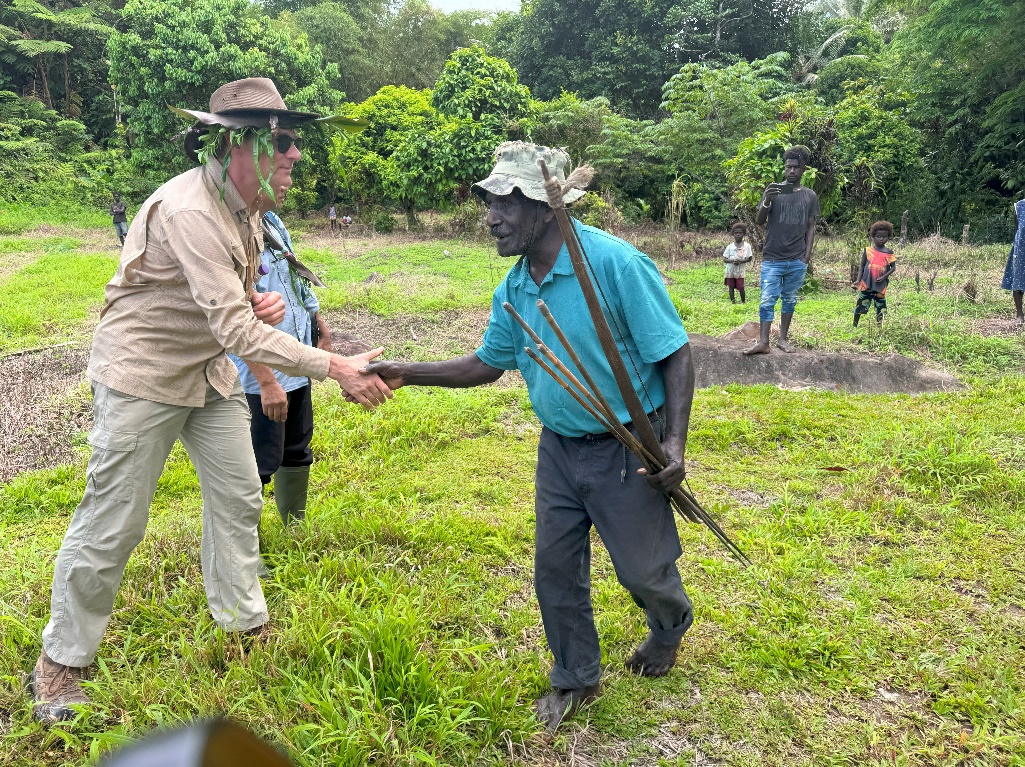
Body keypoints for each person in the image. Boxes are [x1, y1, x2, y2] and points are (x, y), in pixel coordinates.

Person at [30, 78, 391, 723]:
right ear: (236, 144)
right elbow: (233, 327)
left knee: (239, 494)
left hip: (209, 374)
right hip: (144, 374)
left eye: (292, 141)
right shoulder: (190, 208)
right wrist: (333, 363)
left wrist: (261, 305)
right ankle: (61, 661)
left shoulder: (250, 208)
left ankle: (243, 624)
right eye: (282, 142)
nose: (295, 156)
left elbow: (234, 307)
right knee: (114, 517)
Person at [364, 142, 696, 732]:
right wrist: (405, 372)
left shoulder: (615, 265)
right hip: (560, 450)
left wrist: (673, 445)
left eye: (506, 204)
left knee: (643, 573)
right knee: (555, 569)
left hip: (630, 448)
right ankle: (576, 677)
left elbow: (674, 355)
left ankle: (668, 628)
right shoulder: (515, 289)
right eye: (489, 203)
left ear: (546, 206)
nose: (491, 216)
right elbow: (486, 365)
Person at [228, 209, 332, 533]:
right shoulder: (232, 229)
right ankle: (245, 547)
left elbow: (295, 278)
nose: (291, 169)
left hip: (295, 358)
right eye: (283, 158)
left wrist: (320, 326)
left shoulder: (271, 220)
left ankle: (294, 526)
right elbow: (235, 317)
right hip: (262, 374)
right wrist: (266, 381)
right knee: (255, 463)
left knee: (297, 449)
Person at [744, 146, 820, 355]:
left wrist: (806, 256)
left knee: (790, 298)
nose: (792, 171)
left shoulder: (809, 195)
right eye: (788, 167)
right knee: (767, 298)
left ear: (803, 169)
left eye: (796, 167)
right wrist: (767, 200)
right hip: (773, 257)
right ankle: (763, 342)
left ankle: (783, 340)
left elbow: (811, 226)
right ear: (784, 168)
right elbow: (759, 220)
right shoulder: (775, 190)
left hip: (797, 258)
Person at [853, 221, 897, 327]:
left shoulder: (889, 253)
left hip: (880, 285)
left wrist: (884, 277)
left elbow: (893, 267)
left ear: (888, 237)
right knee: (860, 305)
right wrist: (858, 280)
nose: (881, 239)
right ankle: (854, 325)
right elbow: (862, 266)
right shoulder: (868, 250)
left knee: (880, 307)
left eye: (884, 236)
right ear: (873, 236)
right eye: (878, 236)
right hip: (866, 284)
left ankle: (879, 327)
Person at [1001, 197, 1024, 326]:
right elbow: (1018, 229)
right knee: (1019, 280)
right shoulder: (1020, 206)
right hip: (1021, 249)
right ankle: (1019, 314)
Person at [722, 221, 753, 304]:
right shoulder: (730, 246)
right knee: (731, 286)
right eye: (736, 233)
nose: (738, 235)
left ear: (744, 234)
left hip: (740, 271)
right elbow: (725, 259)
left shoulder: (747, 246)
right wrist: (732, 261)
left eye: (740, 233)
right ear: (733, 234)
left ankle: (743, 302)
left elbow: (749, 258)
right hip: (730, 270)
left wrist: (741, 261)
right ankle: (733, 302)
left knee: (741, 287)